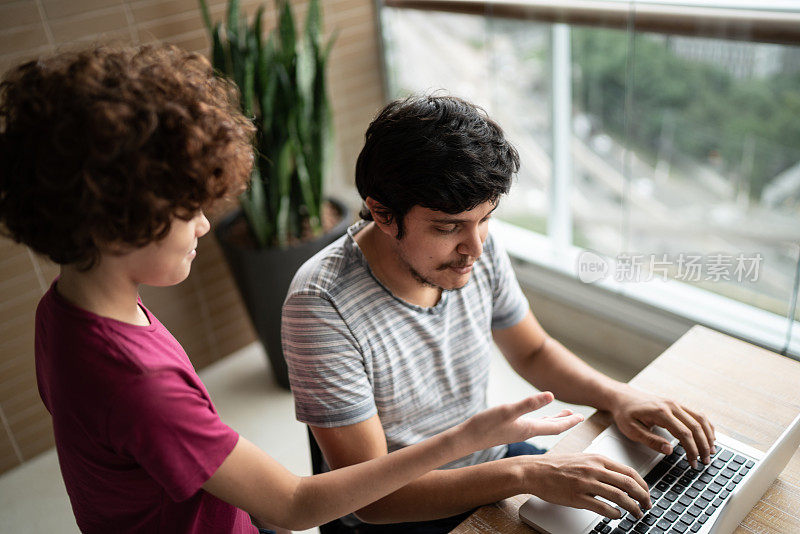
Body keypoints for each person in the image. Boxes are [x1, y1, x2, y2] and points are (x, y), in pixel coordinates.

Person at [0, 46, 585, 534]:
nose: (205, 224)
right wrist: (473, 439)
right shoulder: (138, 384)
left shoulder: (65, 308)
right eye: (187, 209)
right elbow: (295, 504)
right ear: (112, 222)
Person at [282, 95, 718, 533]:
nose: (475, 247)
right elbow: (372, 501)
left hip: (488, 459)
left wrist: (618, 396)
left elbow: (531, 351)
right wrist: (524, 476)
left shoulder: (472, 247)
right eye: (447, 227)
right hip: (400, 511)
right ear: (382, 212)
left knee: (648, 506)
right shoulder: (320, 307)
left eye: (485, 218)